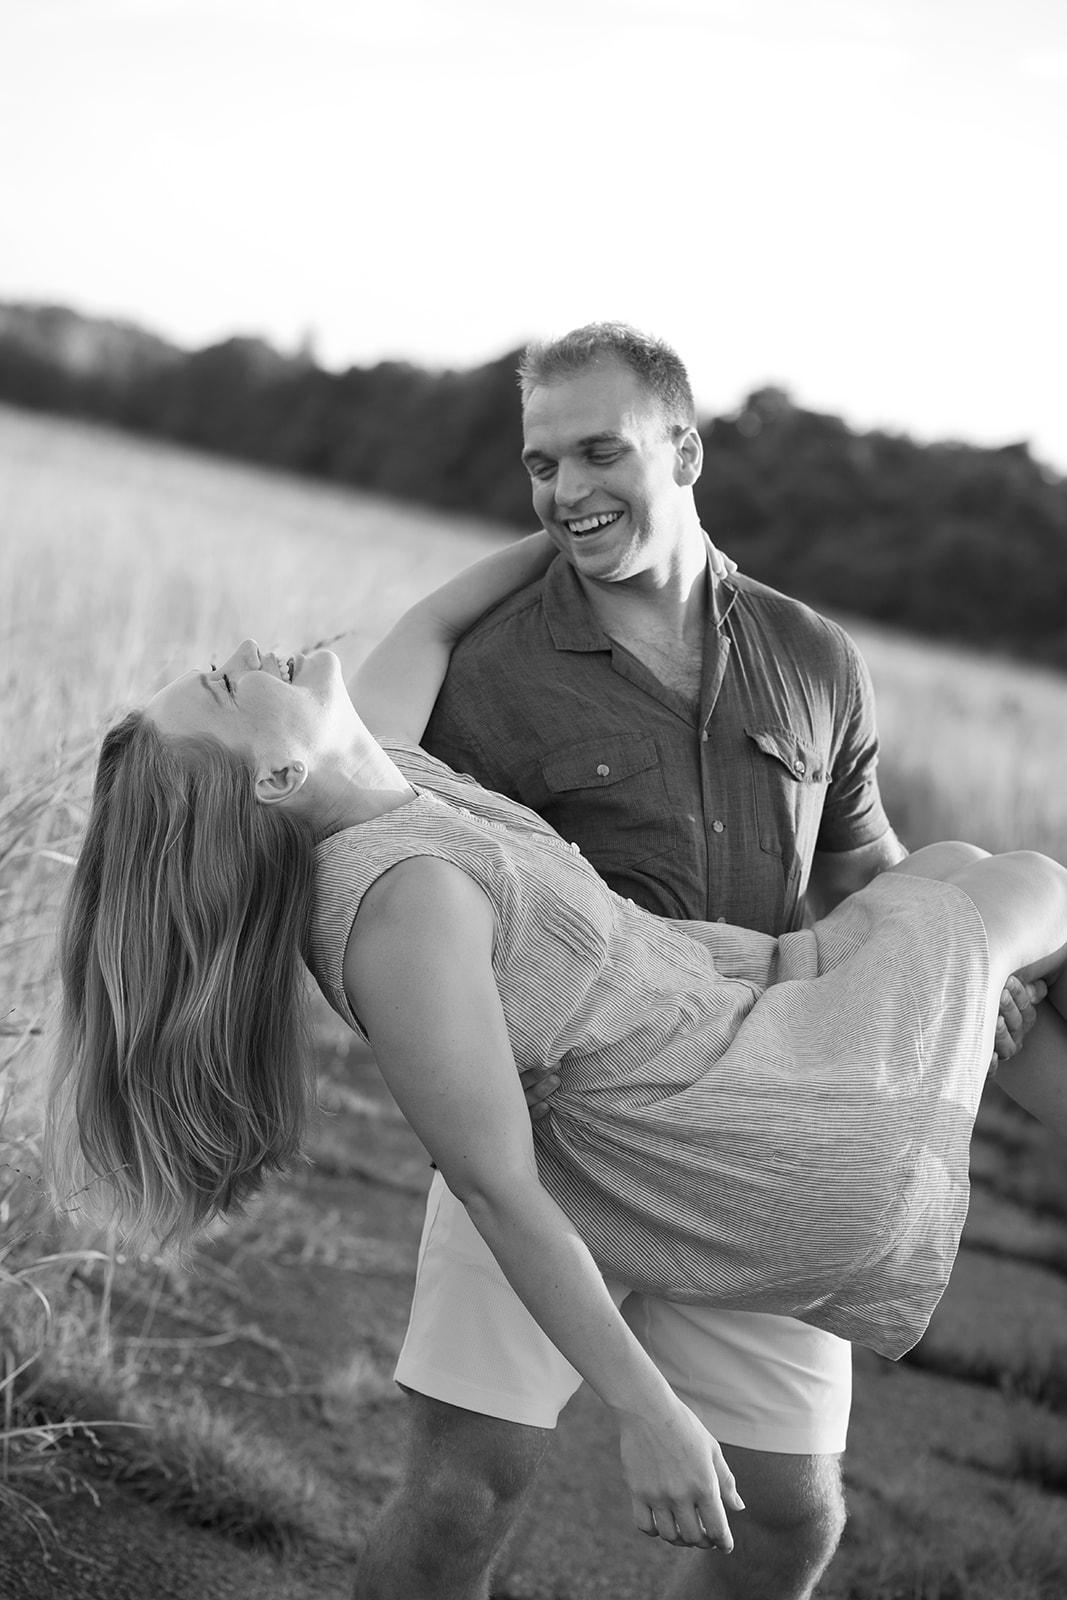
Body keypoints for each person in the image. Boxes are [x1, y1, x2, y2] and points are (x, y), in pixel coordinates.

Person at [46, 619, 1067, 1580]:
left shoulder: (381, 776)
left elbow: (433, 625)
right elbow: (494, 1184)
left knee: (954, 870)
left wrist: (581, 517)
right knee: (1026, 883)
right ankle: (972, 1009)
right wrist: (644, 1408)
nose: (245, 648)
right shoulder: (404, 905)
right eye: (231, 685)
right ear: (276, 774)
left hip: (742, 1025)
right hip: (737, 1119)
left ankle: (975, 1012)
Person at [353, 322, 1042, 1600]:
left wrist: (956, 969)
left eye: (597, 452)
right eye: (540, 465)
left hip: (769, 1117)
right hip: (555, 1124)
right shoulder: (486, 673)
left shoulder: (814, 657)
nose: (564, 491)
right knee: (462, 1492)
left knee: (786, 1518)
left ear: (684, 447)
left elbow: (857, 869)